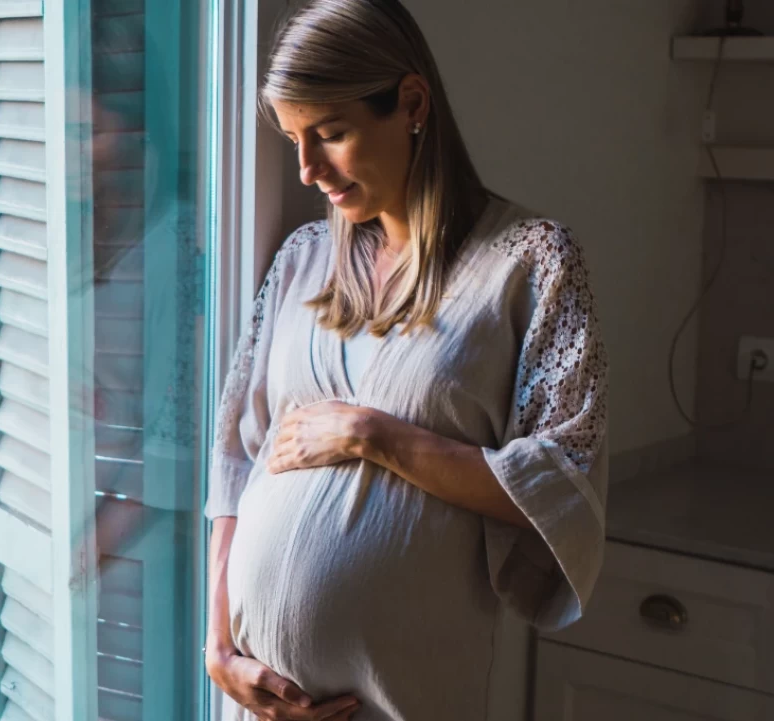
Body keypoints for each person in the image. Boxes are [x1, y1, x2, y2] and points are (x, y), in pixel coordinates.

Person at [204, 1, 609, 719]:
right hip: (257, 705)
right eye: (295, 138)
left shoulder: (531, 261)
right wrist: (219, 649)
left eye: (330, 133)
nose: (305, 169)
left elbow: (563, 481)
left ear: (412, 104)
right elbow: (238, 461)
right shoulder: (303, 260)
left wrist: (375, 435)